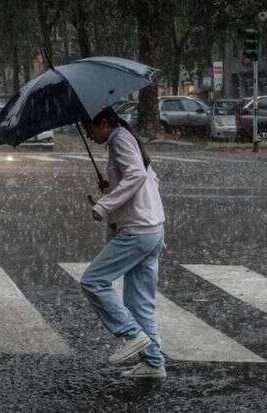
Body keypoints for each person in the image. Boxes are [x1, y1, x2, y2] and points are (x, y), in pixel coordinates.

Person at [80, 107, 167, 379]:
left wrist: (104, 206)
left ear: (103, 122)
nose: (89, 136)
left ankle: (131, 335)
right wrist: (110, 187)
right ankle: (154, 363)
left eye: (89, 129)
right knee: (139, 302)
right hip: (152, 229)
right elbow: (143, 178)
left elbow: (136, 177)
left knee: (93, 281)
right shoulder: (126, 137)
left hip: (137, 230)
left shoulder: (119, 139)